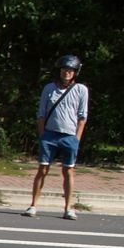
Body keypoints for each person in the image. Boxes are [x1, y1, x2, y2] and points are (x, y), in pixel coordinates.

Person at [25, 54, 89, 219]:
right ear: (59, 71)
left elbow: (82, 117)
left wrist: (77, 138)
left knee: (68, 171)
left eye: (70, 70)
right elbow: (41, 115)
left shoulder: (81, 90)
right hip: (50, 135)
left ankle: (68, 207)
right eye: (64, 70)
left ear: (75, 72)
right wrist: (42, 135)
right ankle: (33, 205)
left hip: (69, 136)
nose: (66, 73)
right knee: (42, 169)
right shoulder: (49, 88)